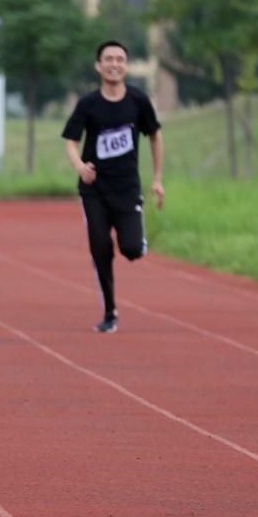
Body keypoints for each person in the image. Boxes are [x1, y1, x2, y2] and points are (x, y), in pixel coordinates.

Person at [61, 40, 165, 333]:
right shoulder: (88, 104)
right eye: (108, 59)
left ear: (126, 65)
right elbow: (70, 140)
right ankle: (110, 311)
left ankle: (136, 239)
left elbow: (155, 135)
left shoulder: (138, 101)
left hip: (128, 188)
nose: (114, 64)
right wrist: (80, 167)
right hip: (94, 190)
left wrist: (157, 178)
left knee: (131, 249)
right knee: (101, 248)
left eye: (120, 59)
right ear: (99, 66)